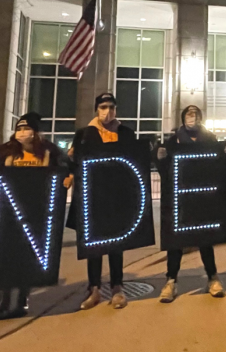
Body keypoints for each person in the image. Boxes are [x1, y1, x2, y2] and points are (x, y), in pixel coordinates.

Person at [0, 112, 69, 320]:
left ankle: (23, 297)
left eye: (27, 129)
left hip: (36, 211)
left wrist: (67, 179)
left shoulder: (50, 152)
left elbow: (67, 168)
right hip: (9, 210)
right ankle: (4, 298)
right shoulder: (6, 152)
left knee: (28, 256)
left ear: (36, 132)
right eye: (19, 129)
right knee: (6, 254)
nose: (22, 133)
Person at [71, 93, 138, 311]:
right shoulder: (83, 135)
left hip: (117, 198)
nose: (107, 111)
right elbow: (74, 163)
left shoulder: (126, 133)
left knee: (116, 245)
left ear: (116, 109)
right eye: (102, 107)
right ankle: (94, 288)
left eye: (110, 107)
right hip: (93, 197)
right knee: (94, 246)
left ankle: (117, 287)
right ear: (96, 109)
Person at [157, 105, 225, 302]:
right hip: (181, 199)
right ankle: (171, 280)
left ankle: (212, 277)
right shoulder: (174, 140)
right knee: (175, 243)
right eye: (188, 114)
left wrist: (223, 157)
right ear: (182, 117)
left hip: (203, 198)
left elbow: (218, 168)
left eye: (195, 114)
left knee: (205, 241)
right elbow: (165, 169)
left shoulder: (210, 139)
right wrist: (160, 159)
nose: (191, 117)